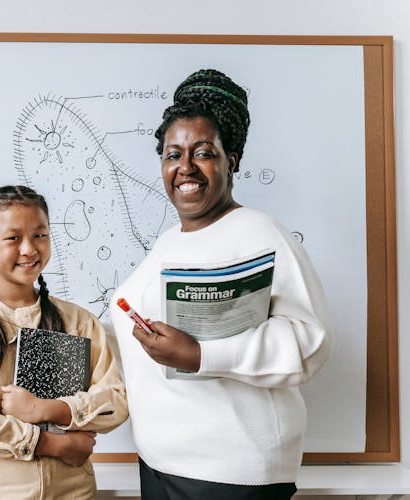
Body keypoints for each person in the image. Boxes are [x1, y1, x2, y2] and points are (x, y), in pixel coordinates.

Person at [109, 69, 334, 499]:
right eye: (173, 154)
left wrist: (200, 354)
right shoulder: (166, 243)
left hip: (230, 474)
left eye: (203, 152)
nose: (185, 168)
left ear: (232, 160)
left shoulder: (260, 234)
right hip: (160, 464)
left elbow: (312, 342)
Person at [0, 185, 129, 499]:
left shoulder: (79, 321)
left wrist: (49, 409)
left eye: (40, 235)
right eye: (13, 238)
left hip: (73, 488)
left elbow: (115, 402)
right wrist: (56, 444)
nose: (29, 249)